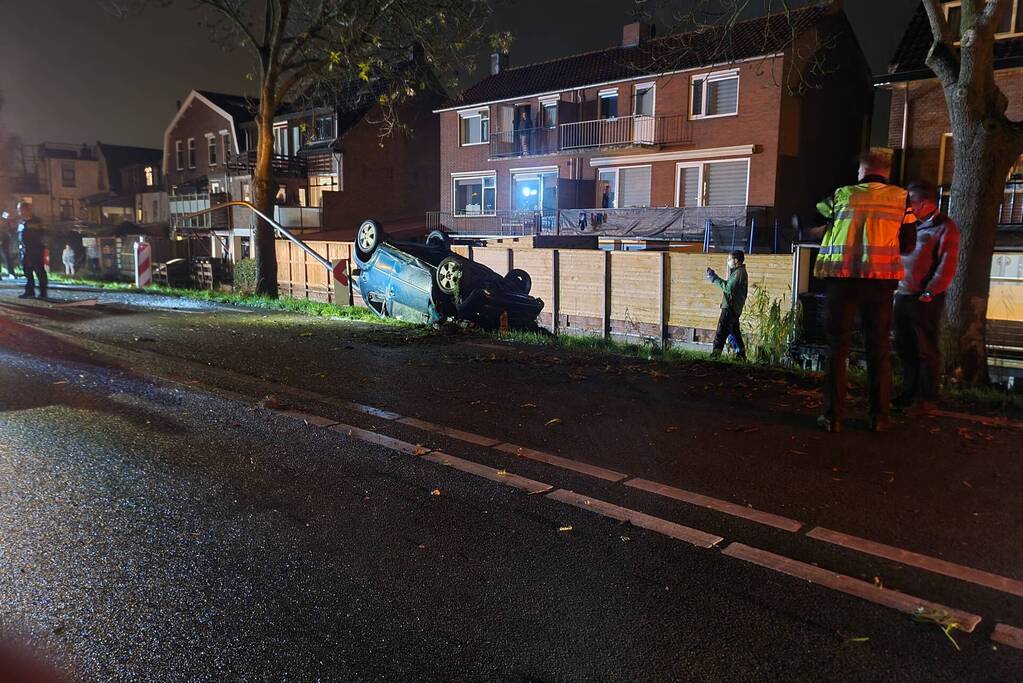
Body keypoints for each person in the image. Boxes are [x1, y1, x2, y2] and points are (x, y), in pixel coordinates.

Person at [810, 152, 916, 433]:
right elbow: (908, 244)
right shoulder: (902, 199)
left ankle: (832, 417)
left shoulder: (843, 194)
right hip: (880, 284)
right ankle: (879, 418)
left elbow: (821, 209)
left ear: (863, 170)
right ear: (886, 173)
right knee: (878, 349)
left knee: (838, 348)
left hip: (843, 281)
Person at [894, 181, 959, 414]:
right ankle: (908, 392)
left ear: (923, 203)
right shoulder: (910, 224)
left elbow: (946, 265)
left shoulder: (945, 227)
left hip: (924, 299)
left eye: (910, 202)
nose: (906, 207)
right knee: (905, 347)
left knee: (925, 348)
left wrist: (930, 291)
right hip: (901, 294)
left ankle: (927, 398)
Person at [707, 250, 748, 359]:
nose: (728, 261)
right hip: (734, 308)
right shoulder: (738, 272)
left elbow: (728, 288)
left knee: (721, 332)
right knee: (735, 333)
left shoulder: (739, 273)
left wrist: (714, 278)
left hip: (730, 308)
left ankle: (715, 356)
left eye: (729, 259)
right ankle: (741, 356)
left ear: (736, 260)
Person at [16, 201, 47, 299]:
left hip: (35, 250)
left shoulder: (36, 221)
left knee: (39, 271)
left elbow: (42, 234)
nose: (19, 212)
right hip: (25, 250)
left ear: (26, 210)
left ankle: (42, 292)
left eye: (20, 209)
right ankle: (30, 291)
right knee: (27, 271)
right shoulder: (21, 222)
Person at [0, 211, 15, 278]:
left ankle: (11, 272)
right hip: (4, 239)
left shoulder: (4, 218)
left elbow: (9, 228)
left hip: (4, 240)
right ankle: (11, 272)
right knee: (7, 256)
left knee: (7, 256)